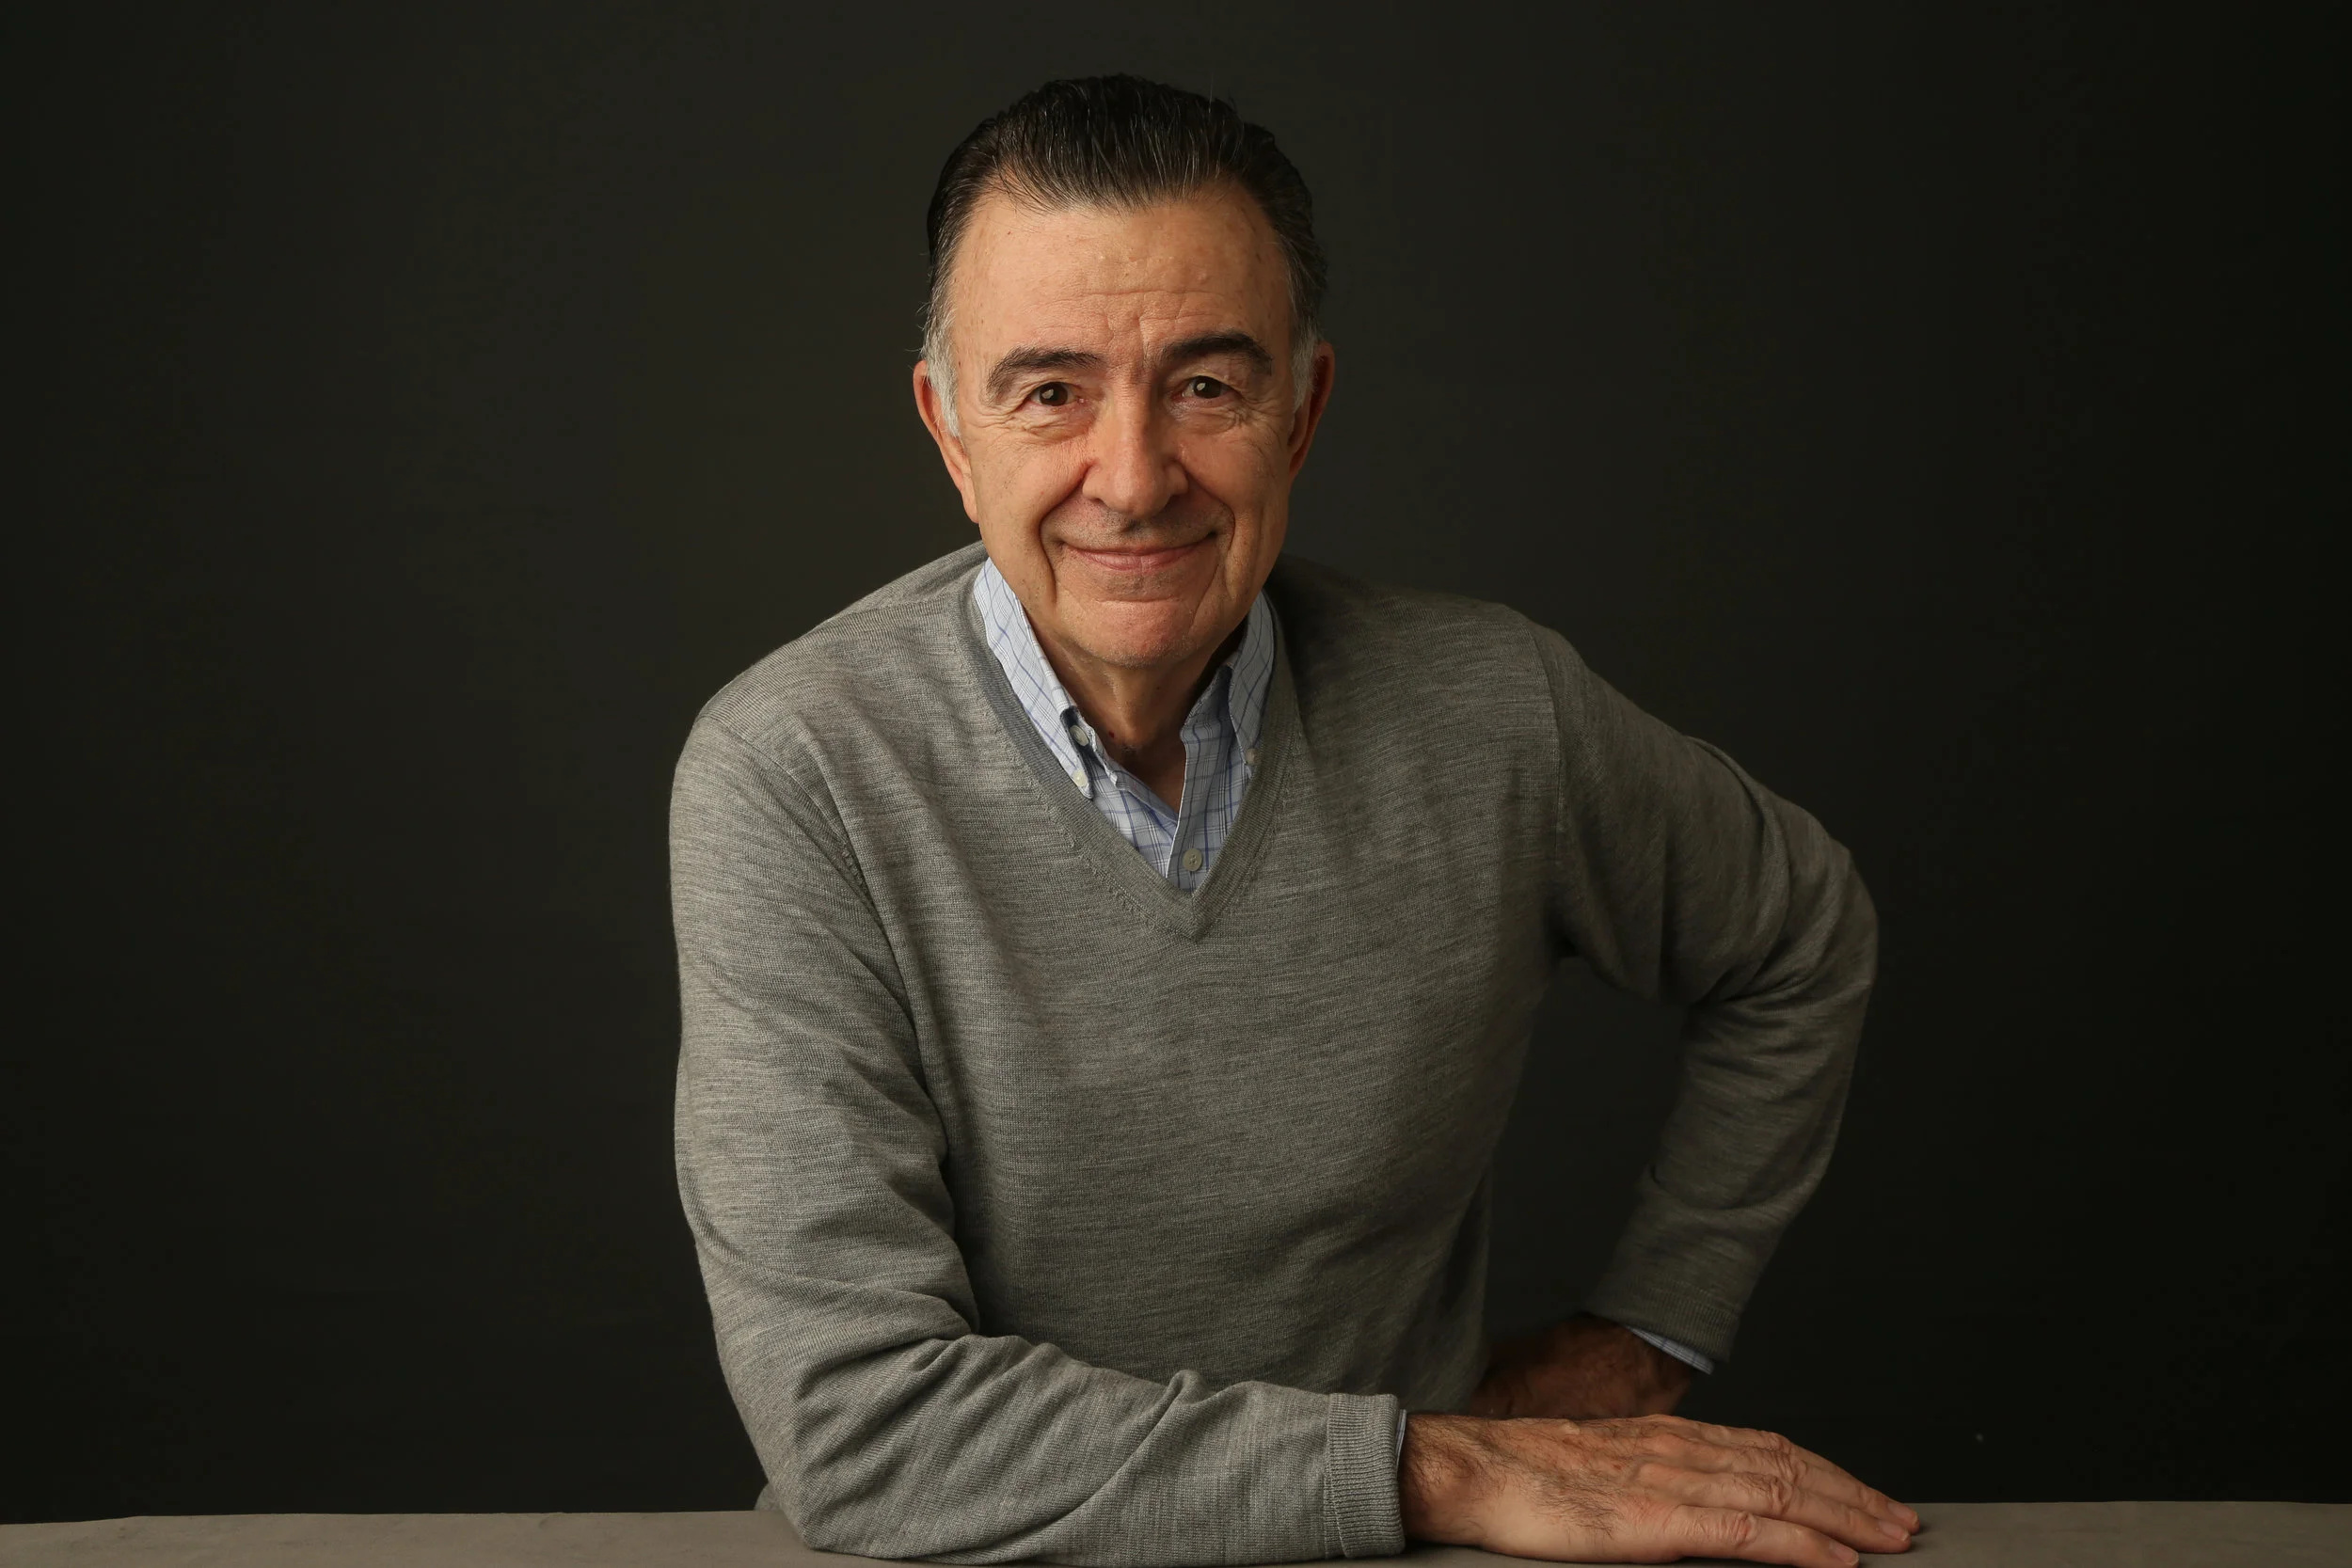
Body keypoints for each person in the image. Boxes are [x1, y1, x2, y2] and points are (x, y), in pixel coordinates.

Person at [670, 74, 1916, 1568]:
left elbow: (1799, 933)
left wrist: (1656, 1325)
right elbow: (861, 1429)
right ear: (951, 429)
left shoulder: (1495, 714)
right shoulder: (795, 773)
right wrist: (1434, 1466)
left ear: (1304, 411)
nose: (1133, 479)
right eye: (1051, 391)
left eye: (1206, 385)